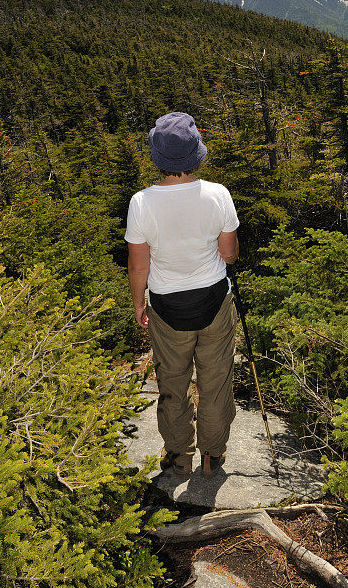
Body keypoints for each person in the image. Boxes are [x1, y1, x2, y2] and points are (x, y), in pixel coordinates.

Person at [124, 111, 240, 480]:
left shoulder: (141, 203)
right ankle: (213, 454)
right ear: (195, 154)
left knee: (172, 381)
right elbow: (229, 254)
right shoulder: (217, 195)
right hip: (214, 302)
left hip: (167, 307)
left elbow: (138, 266)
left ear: (157, 157)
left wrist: (139, 304)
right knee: (216, 380)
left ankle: (180, 455)